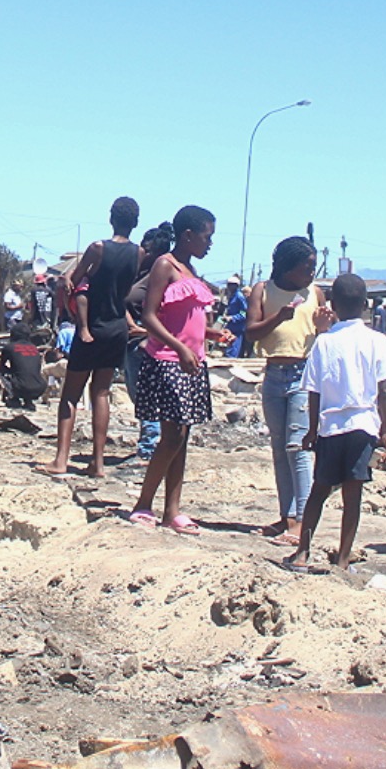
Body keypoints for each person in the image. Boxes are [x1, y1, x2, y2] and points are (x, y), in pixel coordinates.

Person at [282, 273, 386, 571]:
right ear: (365, 305)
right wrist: (385, 432)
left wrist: (311, 430)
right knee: (353, 494)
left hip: (331, 428)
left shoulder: (324, 343)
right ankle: (344, 558)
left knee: (319, 491)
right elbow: (384, 391)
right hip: (363, 427)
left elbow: (313, 391)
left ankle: (301, 554)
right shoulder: (378, 341)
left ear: (333, 305)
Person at [128, 206, 224, 534]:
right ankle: (143, 503)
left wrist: (209, 335)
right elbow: (150, 316)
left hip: (191, 362)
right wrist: (181, 347)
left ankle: (172, 509)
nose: (210, 243)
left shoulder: (190, 271)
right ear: (188, 235)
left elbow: (184, 318)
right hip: (168, 359)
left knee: (182, 437)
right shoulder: (164, 266)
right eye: (206, 236)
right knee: (172, 436)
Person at [40, 197, 142, 478]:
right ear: (135, 222)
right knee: (102, 393)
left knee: (71, 395)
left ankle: (61, 459)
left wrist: (67, 286)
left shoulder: (98, 248)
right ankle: (97, 462)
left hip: (92, 327)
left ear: (111, 218)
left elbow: (74, 279)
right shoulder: (139, 253)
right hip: (118, 326)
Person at [244, 236, 333, 547]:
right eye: (306, 267)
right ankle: (288, 515)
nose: (311, 273)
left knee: (298, 447)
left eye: (313, 267)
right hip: (273, 373)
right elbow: (251, 331)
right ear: (288, 266)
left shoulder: (314, 293)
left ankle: (303, 523)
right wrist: (277, 317)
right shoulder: (263, 291)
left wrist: (324, 326)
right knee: (280, 448)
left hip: (303, 375)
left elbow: (324, 337)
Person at [122, 222, 175, 467]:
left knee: (147, 396)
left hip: (149, 344)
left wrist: (147, 331)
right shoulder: (135, 274)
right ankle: (150, 442)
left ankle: (150, 446)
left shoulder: (162, 277)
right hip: (131, 341)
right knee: (137, 394)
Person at [0, 320, 47, 410]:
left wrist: (2, 388)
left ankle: (14, 398)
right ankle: (28, 401)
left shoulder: (9, 347)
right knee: (27, 372)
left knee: (1, 372)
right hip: (40, 387)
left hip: (20, 387)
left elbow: (1, 366)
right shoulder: (34, 348)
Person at [222, 275, 249, 357]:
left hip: (237, 328)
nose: (229, 287)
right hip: (230, 327)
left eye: (232, 285)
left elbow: (244, 313)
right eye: (228, 284)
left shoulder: (239, 297)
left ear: (236, 286)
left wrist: (233, 318)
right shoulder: (231, 296)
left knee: (233, 351)